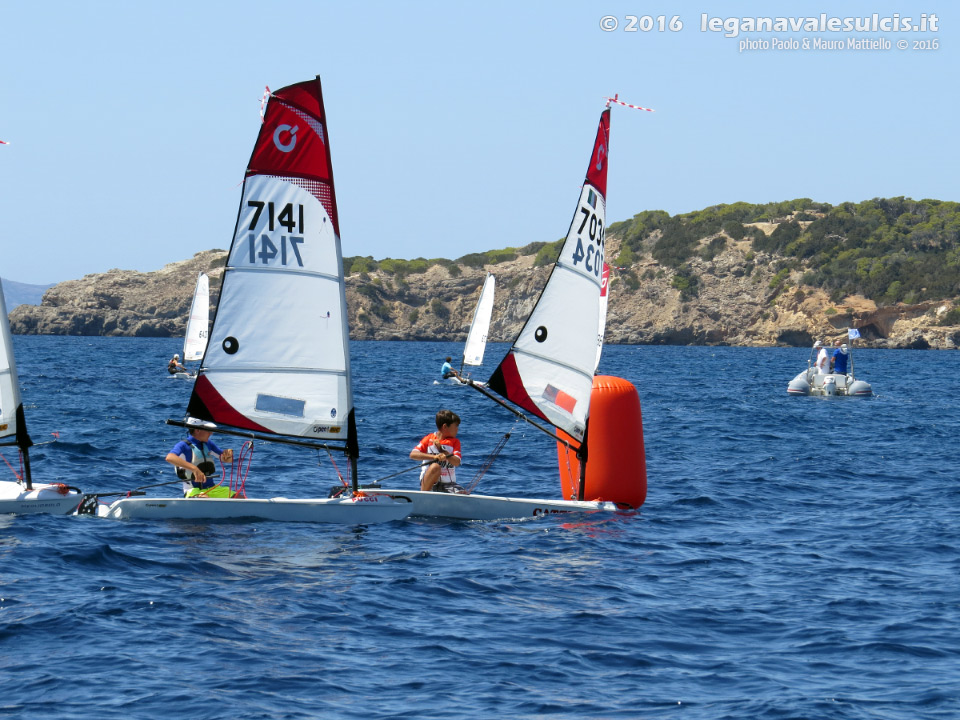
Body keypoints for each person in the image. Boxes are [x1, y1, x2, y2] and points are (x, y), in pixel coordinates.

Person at [165, 418, 237, 498]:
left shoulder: (208, 444)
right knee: (205, 499)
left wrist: (228, 455)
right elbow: (170, 457)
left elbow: (227, 460)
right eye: (208, 430)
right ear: (197, 430)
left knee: (239, 498)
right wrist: (194, 469)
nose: (211, 433)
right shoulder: (183, 445)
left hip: (212, 488)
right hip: (192, 490)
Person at [410, 409, 463, 493]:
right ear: (445, 427)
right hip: (430, 483)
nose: (457, 429)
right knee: (435, 467)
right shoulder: (429, 439)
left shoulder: (455, 442)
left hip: (448, 484)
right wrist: (434, 457)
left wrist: (443, 451)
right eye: (456, 426)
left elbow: (456, 462)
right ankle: (423, 496)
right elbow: (413, 454)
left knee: (463, 493)